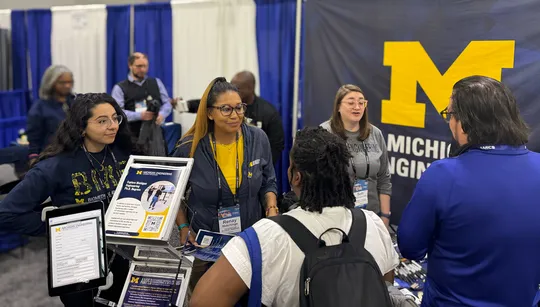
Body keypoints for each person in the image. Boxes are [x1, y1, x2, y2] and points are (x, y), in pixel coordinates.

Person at [190, 127, 399, 307]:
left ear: (296, 176)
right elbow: (383, 287)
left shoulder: (266, 236)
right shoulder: (373, 224)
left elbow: (201, 301)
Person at [398, 76, 540, 307]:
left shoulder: (442, 174)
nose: (449, 122)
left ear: (464, 121)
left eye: (449, 114)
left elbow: (410, 247)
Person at [0, 93, 136, 307]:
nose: (113, 126)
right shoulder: (55, 166)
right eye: (102, 121)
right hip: (77, 259)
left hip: (120, 252)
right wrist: (56, 227)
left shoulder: (121, 152)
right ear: (81, 128)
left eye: (115, 117)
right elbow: (5, 213)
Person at [171, 77, 278, 289]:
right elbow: (173, 194)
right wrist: (182, 226)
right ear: (210, 113)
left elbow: (268, 182)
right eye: (226, 109)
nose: (236, 115)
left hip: (248, 239)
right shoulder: (188, 148)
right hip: (204, 244)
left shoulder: (258, 138)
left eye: (239, 108)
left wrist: (272, 209)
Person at [321, 84, 392, 226]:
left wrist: (385, 216)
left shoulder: (375, 133)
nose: (357, 107)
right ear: (338, 107)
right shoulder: (325, 133)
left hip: (371, 215)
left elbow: (384, 178)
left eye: (361, 102)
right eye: (351, 102)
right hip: (336, 216)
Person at [111, 52, 172, 137]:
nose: (143, 69)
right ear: (130, 65)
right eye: (139, 66)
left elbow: (167, 103)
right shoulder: (120, 88)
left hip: (155, 134)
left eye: (145, 66)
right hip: (131, 135)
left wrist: (162, 114)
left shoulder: (156, 82)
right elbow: (118, 112)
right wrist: (140, 116)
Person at [231, 71, 284, 164]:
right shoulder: (227, 108)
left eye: (237, 89)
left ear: (250, 88)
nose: (233, 92)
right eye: (231, 88)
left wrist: (262, 167)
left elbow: (277, 144)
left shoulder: (268, 112)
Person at [27, 65, 74, 161]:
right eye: (62, 82)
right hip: (51, 157)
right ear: (51, 83)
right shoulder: (40, 107)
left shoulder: (75, 101)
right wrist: (33, 157)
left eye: (70, 82)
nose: (67, 86)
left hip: (75, 155)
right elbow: (34, 137)